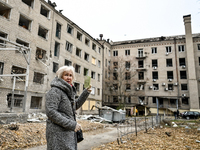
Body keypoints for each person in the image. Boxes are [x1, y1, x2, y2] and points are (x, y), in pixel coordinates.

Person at [45, 66, 91, 150]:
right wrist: (72, 124)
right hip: (57, 134)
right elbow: (51, 112)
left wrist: (86, 92)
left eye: (70, 75)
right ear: (60, 76)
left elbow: (73, 106)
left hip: (67, 133)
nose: (69, 77)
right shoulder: (55, 91)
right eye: (66, 75)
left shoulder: (67, 91)